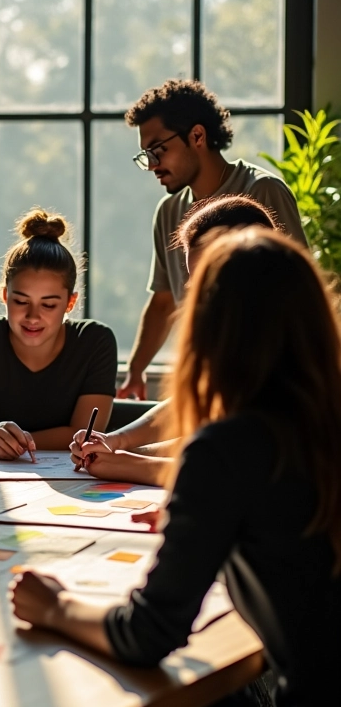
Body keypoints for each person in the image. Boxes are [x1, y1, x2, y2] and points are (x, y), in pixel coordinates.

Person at [11, 228, 340, 707]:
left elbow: (147, 633)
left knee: (158, 692)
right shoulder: (317, 425)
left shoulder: (228, 448)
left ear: (209, 332)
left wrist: (56, 607)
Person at [71, 194, 280, 490]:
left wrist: (130, 463)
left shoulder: (288, 357)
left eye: (212, 280)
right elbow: (200, 432)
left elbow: (238, 468)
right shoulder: (235, 344)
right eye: (196, 285)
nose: (200, 301)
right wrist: (116, 445)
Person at [119, 78, 306, 400]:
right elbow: (164, 300)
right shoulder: (168, 212)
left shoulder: (262, 192)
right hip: (210, 378)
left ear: (197, 136)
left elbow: (302, 292)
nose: (152, 166)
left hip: (267, 383)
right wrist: (136, 371)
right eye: (145, 156)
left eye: (158, 151)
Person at [0, 208, 117, 458]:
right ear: (5, 295)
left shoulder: (95, 341)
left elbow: (83, 434)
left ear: (70, 303)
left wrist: (14, 443)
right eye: (21, 301)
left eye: (48, 305)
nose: (33, 316)